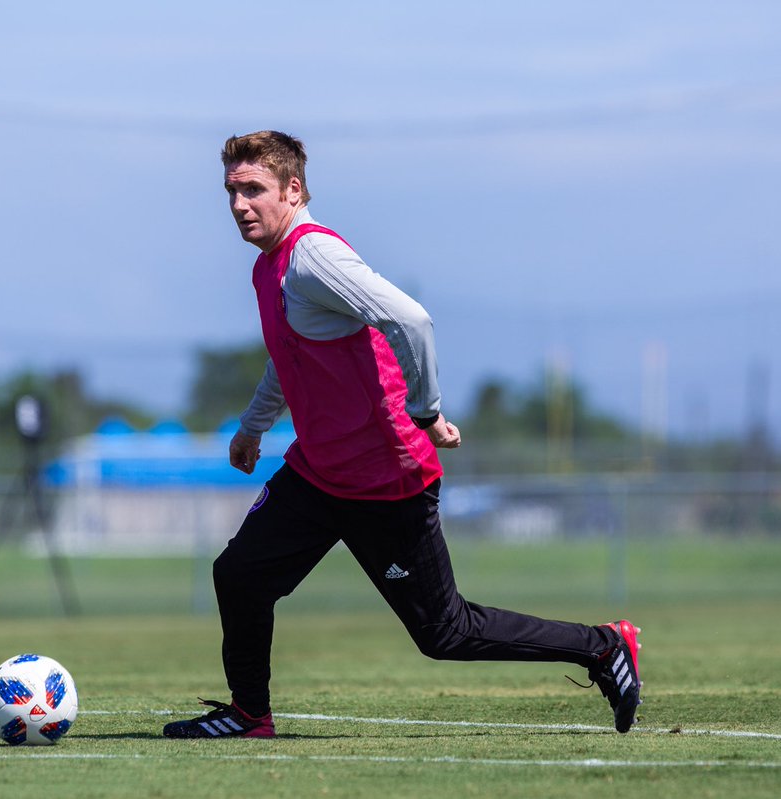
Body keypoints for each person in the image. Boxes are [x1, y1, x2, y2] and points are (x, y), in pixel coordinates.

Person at [162, 130, 642, 740]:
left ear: (293, 190)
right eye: (231, 190)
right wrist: (252, 428)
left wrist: (426, 410)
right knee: (239, 575)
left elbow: (411, 318)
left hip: (386, 480)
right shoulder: (269, 267)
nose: (238, 204)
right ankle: (249, 716)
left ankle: (603, 647)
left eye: (253, 189)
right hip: (318, 472)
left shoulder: (313, 257)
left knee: (446, 634)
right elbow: (289, 358)